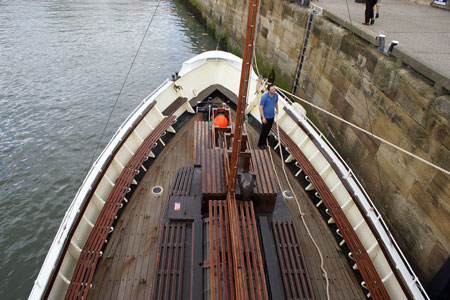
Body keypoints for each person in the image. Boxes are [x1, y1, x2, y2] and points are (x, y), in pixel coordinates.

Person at [257, 84, 278, 150]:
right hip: (265, 117)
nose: (274, 90)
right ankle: (260, 144)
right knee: (264, 130)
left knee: (268, 130)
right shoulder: (264, 97)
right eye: (272, 89)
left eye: (274, 89)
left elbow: (276, 102)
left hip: (272, 116)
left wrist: (277, 109)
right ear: (269, 90)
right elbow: (261, 107)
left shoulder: (276, 95)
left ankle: (264, 142)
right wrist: (263, 118)